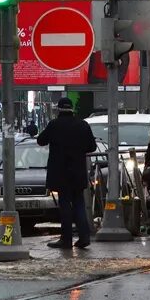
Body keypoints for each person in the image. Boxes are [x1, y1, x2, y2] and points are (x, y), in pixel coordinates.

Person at [36, 96, 97, 249]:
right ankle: (84, 237)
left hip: (60, 173)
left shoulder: (54, 125)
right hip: (78, 172)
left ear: (58, 109)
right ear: (72, 109)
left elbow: (41, 140)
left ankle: (66, 239)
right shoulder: (82, 125)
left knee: (65, 206)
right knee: (79, 204)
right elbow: (92, 147)